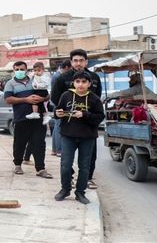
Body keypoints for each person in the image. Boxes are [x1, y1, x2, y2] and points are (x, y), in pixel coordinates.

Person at [51, 49, 101, 189]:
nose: (78, 63)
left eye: (81, 60)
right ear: (71, 62)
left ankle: (88, 178)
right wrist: (64, 110)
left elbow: (97, 98)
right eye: (75, 60)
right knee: (67, 157)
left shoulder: (94, 77)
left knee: (89, 155)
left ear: (86, 61)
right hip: (69, 124)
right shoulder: (63, 78)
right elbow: (55, 98)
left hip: (89, 124)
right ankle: (69, 179)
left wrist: (88, 114)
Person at [54, 71, 105, 205]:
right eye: (78, 82)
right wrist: (57, 113)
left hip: (87, 137)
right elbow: (58, 111)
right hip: (68, 136)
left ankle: (80, 193)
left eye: (84, 82)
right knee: (65, 165)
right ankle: (65, 189)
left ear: (89, 84)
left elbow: (100, 117)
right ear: (74, 83)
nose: (80, 84)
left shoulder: (94, 99)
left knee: (84, 167)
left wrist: (84, 115)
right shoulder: (66, 95)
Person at [4, 61, 52, 178]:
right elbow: (8, 99)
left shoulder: (35, 79)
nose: (19, 71)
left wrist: (42, 98)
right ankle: (18, 165)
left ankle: (40, 168)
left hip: (38, 118)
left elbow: (47, 94)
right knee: (20, 143)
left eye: (22, 69)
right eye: (17, 69)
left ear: (26, 70)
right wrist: (26, 100)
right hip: (21, 118)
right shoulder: (10, 83)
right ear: (14, 70)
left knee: (39, 143)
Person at [50, 59, 72, 156]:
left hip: (58, 104)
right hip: (59, 105)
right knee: (59, 127)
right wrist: (60, 106)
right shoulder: (59, 77)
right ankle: (59, 150)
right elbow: (55, 94)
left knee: (56, 127)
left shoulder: (56, 75)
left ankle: (55, 149)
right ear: (67, 67)